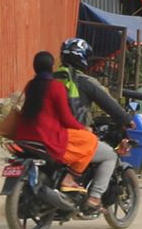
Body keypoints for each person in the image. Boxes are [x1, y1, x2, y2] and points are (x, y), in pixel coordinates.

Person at [9, 51, 111, 215]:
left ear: (34, 67)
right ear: (51, 67)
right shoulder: (56, 86)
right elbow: (65, 118)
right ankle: (70, 179)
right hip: (47, 136)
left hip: (24, 135)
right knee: (90, 140)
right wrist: (83, 128)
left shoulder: (30, 85)